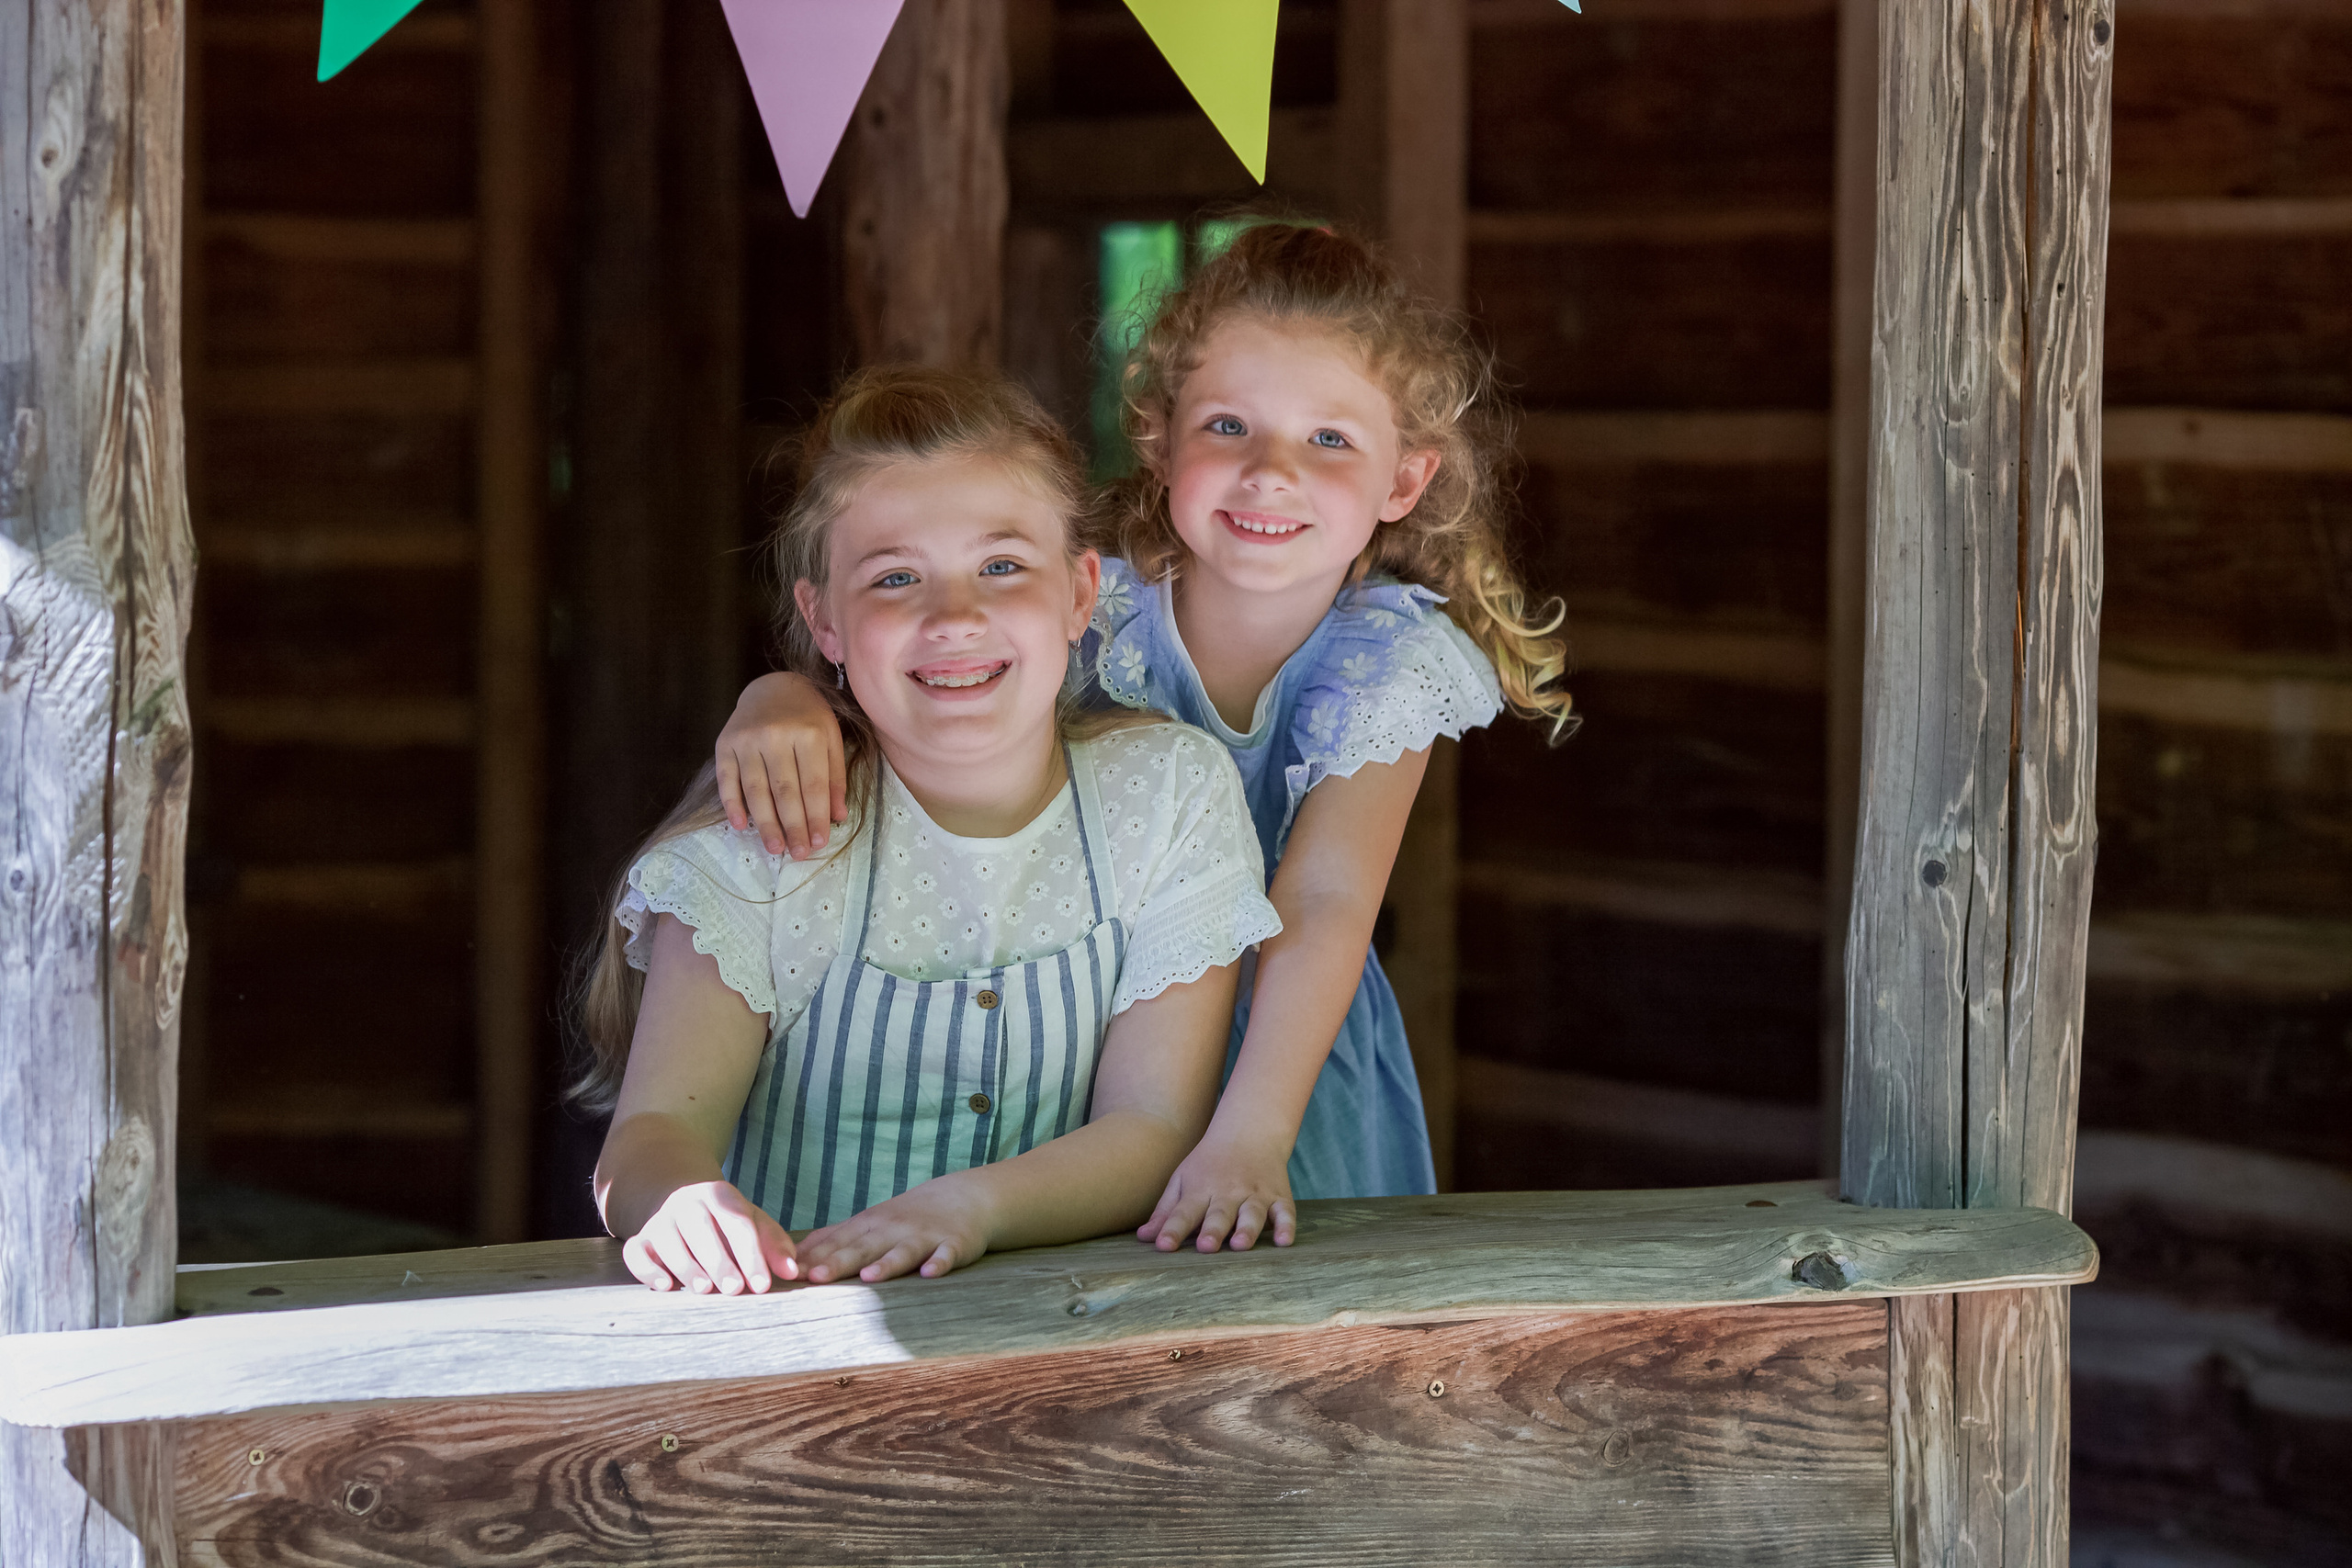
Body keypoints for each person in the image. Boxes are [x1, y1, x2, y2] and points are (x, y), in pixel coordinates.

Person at [708, 223, 1571, 1256]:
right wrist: (786, 696)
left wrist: (1249, 1137)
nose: (1271, 473)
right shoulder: (1093, 608)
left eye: (1329, 440)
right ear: (1160, 440)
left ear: (1404, 482)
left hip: (1276, 1055)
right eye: (1228, 426)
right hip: (1086, 1024)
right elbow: (932, 706)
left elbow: (1324, 903)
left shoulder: (1388, 663)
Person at [573, 366, 1281, 1293]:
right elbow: (653, 1134)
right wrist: (674, 1201)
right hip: (794, 1341)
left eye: (1001, 566)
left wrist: (969, 1208)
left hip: (1079, 1339)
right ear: (824, 620)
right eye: (896, 577)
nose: (954, 616)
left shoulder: (1170, 796)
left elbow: (1151, 1127)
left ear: (1080, 594)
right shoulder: (766, 840)